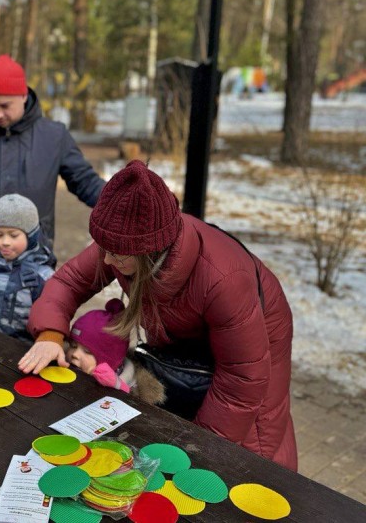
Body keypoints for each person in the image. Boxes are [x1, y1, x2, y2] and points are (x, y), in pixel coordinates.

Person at [18, 161, 297, 470]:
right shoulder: (124, 243)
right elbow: (69, 282)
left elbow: (242, 379)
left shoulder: (224, 280)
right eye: (104, 248)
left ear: (149, 252)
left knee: (247, 456)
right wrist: (50, 334)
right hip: (195, 343)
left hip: (256, 347)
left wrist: (196, 453)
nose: (107, 259)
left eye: (117, 254)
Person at [0, 54, 105, 295]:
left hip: (33, 267)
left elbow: (86, 182)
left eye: (5, 106)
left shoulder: (54, 137)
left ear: (24, 95)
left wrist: (124, 203)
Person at [0, 194, 54, 342]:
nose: (5, 242)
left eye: (13, 235)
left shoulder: (42, 277)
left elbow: (48, 325)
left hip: (21, 353)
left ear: (31, 236)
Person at [67, 299, 165, 404]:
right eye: (73, 345)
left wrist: (118, 386)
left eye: (87, 351)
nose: (75, 354)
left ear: (109, 362)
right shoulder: (66, 365)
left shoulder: (132, 387)